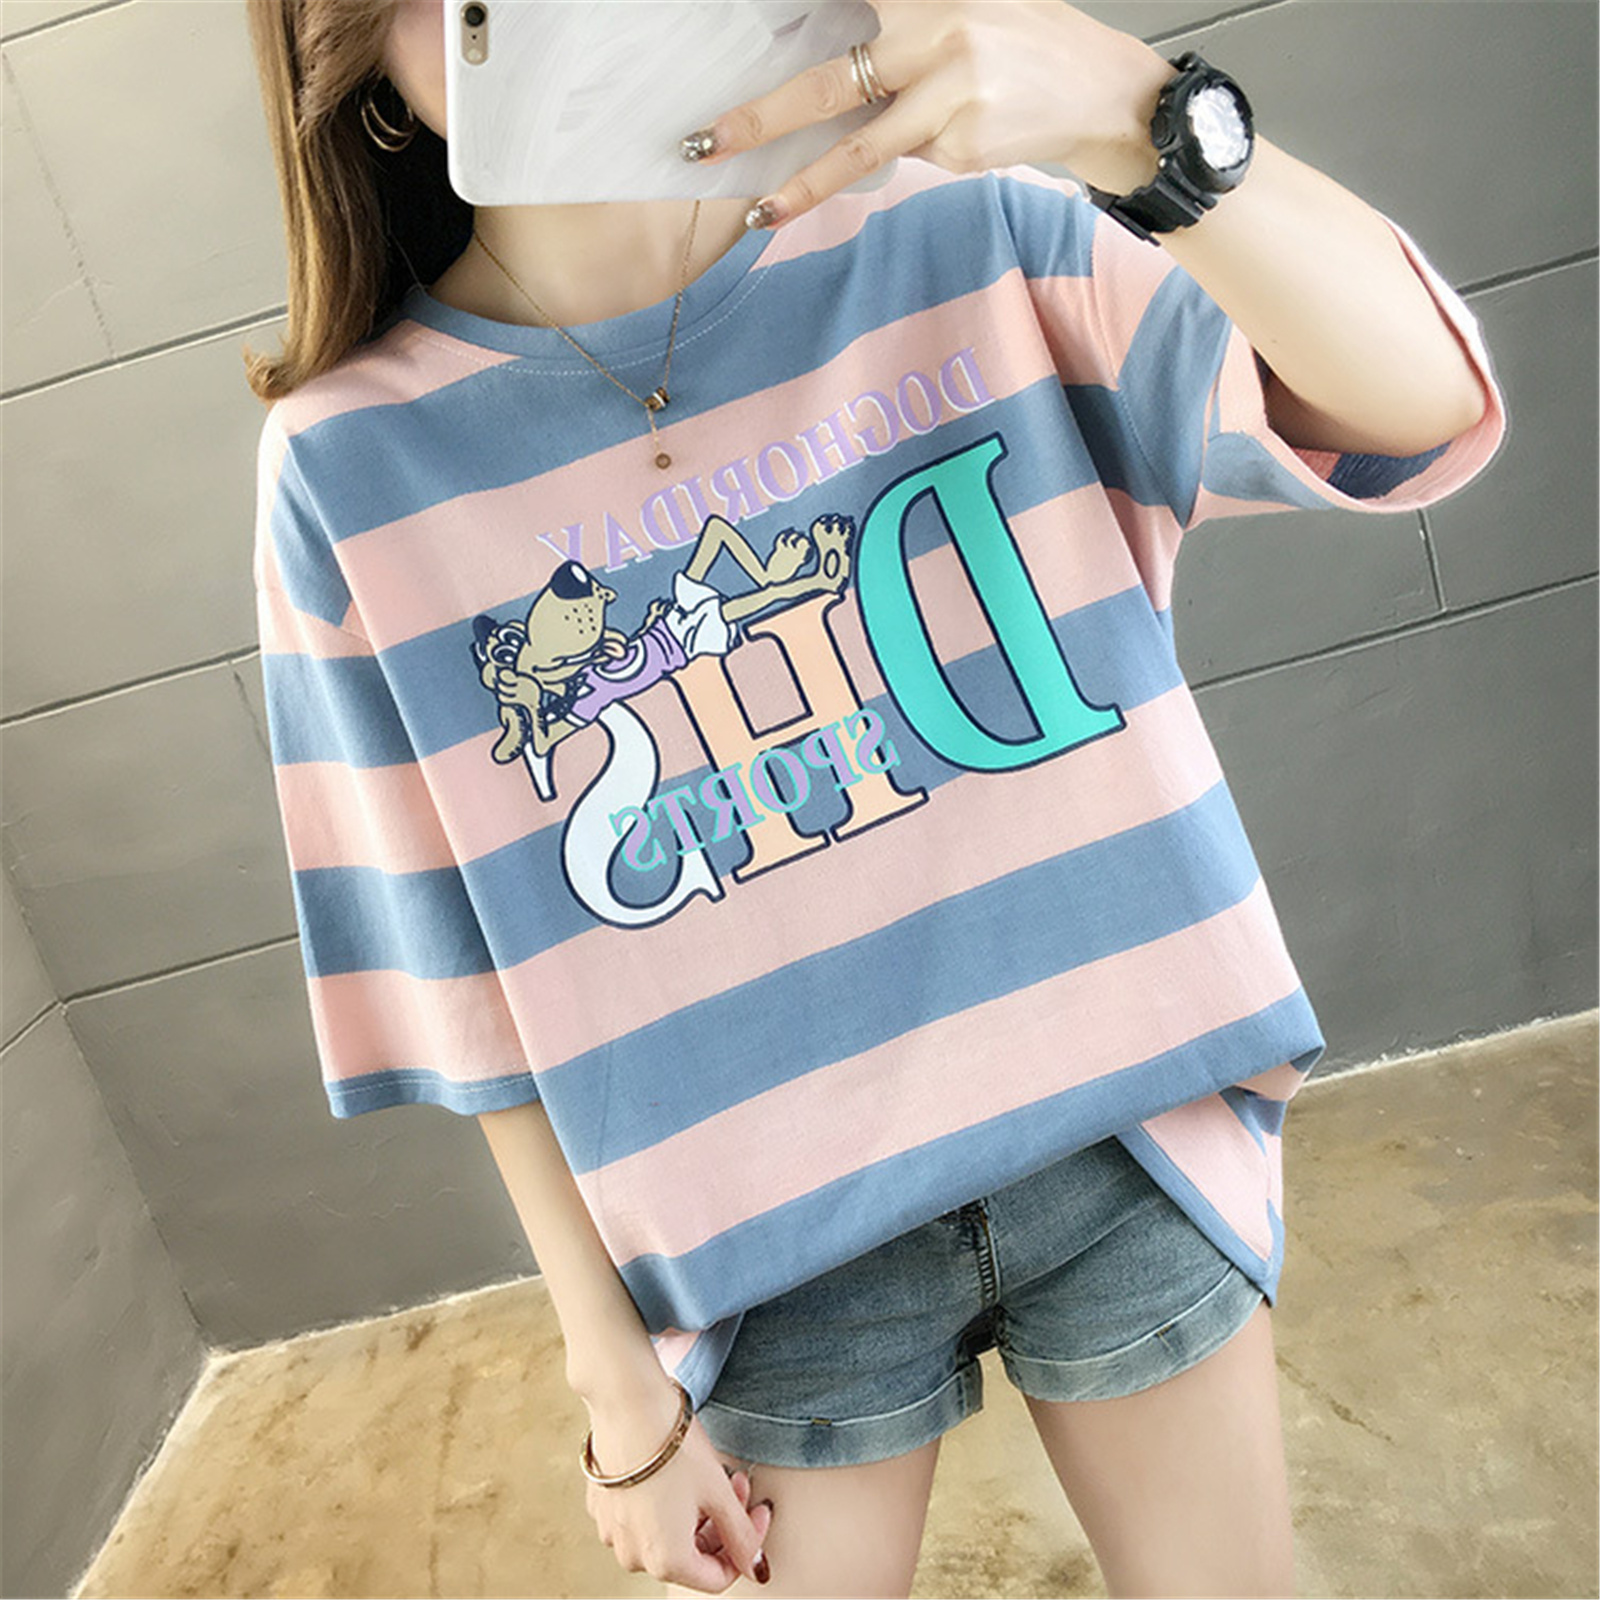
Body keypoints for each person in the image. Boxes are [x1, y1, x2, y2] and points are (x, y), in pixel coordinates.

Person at [242, 1, 1505, 1594]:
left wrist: (1137, 108)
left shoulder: (966, 231)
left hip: (1125, 1140)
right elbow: (465, 989)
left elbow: (1418, 408)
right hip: (758, 1262)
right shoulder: (346, 466)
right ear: (353, 57)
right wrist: (615, 1385)